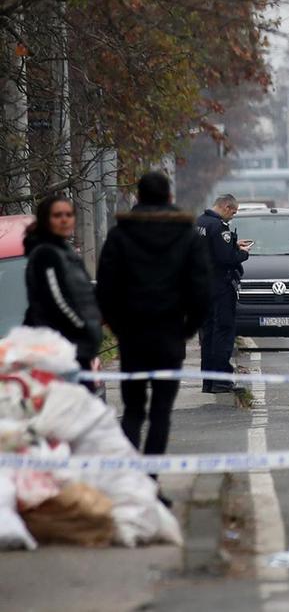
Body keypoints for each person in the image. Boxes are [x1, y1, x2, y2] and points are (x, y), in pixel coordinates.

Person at [96, 172, 211, 457]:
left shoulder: (120, 235)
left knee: (132, 409)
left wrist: (117, 325)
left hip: (132, 334)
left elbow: (106, 285)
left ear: (139, 196)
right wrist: (189, 328)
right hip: (170, 332)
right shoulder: (186, 235)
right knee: (161, 412)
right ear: (169, 198)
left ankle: (130, 474)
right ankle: (151, 478)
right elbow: (201, 287)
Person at [23, 196, 102, 370]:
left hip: (77, 349)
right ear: (46, 220)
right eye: (58, 215)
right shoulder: (45, 254)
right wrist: (84, 326)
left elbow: (84, 293)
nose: (64, 220)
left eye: (69, 214)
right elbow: (57, 301)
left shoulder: (67, 252)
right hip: (58, 350)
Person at [196, 194, 250, 393]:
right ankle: (221, 379)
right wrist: (243, 253)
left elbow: (209, 250)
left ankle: (208, 381)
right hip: (219, 286)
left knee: (208, 334)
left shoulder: (199, 223)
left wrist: (232, 244)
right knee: (223, 331)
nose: (232, 216)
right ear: (226, 207)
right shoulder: (219, 227)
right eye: (233, 212)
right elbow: (226, 258)